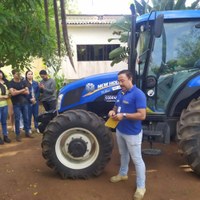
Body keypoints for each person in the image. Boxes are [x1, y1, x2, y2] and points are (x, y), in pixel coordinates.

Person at [108, 70, 147, 200]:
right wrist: (112, 112)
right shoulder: (121, 93)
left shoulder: (138, 94)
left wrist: (123, 115)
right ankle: (123, 174)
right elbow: (116, 107)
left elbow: (142, 115)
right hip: (120, 130)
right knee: (123, 154)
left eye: (122, 80)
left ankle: (141, 187)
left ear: (130, 79)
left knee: (137, 160)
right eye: (119, 81)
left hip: (132, 133)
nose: (120, 83)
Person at [9, 69, 33, 142]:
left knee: (26, 118)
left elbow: (27, 92)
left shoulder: (23, 82)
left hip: (24, 103)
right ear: (13, 74)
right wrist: (22, 90)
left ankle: (27, 132)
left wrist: (17, 91)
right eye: (17, 74)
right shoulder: (11, 83)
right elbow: (12, 94)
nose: (18, 75)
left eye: (19, 74)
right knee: (17, 119)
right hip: (16, 104)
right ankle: (17, 134)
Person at [0, 70, 11, 144]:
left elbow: (8, 94)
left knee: (4, 122)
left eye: (0, 73)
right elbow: (5, 96)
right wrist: (5, 96)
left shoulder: (5, 84)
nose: (0, 74)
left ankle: (5, 136)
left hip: (5, 105)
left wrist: (8, 95)